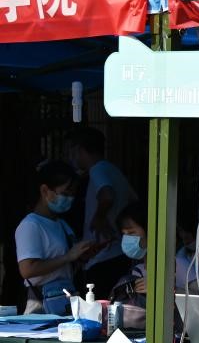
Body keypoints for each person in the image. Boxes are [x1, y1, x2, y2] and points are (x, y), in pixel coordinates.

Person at [15, 161, 95, 315]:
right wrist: (68, 256)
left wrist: (81, 256)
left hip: (64, 297)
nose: (70, 198)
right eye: (65, 193)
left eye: (73, 194)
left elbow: (65, 263)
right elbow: (27, 270)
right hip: (42, 303)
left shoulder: (61, 224)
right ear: (45, 190)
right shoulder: (31, 225)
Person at [66, 127, 138, 292]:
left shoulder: (97, 170)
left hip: (102, 256)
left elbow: (107, 195)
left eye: (72, 151)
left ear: (80, 150)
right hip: (117, 252)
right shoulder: (113, 170)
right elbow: (133, 200)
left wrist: (99, 217)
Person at [110, 202, 148, 309]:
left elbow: (192, 297)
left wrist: (161, 288)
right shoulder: (136, 270)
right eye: (124, 234)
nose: (127, 239)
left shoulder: (177, 265)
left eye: (131, 233)